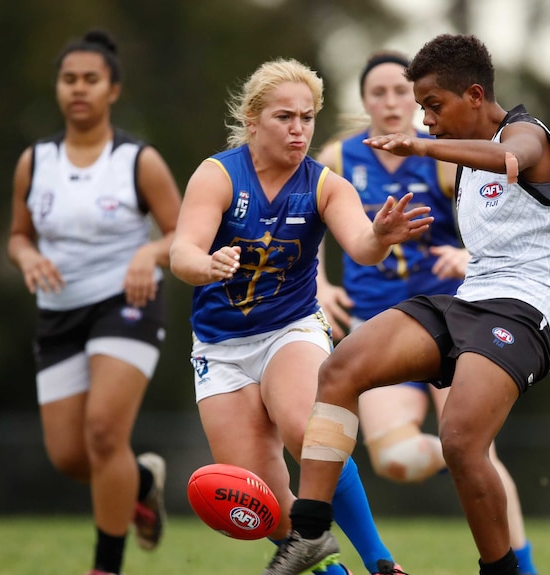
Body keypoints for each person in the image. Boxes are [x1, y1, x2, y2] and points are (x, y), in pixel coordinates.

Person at [263, 33, 550, 575]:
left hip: (526, 313)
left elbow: (509, 158)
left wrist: (422, 146)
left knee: (459, 440)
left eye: (432, 107)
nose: (424, 121)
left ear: (475, 95)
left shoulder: (528, 136)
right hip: (467, 303)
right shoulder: (419, 157)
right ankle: (310, 533)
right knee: (340, 368)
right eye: (421, 110)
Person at [169, 58, 432, 575]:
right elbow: (182, 254)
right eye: (284, 117)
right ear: (252, 120)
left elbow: (360, 246)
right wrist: (207, 264)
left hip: (290, 329)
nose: (298, 129)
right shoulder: (218, 174)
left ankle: (381, 562)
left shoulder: (325, 184)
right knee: (264, 501)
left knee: (306, 428)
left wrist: (380, 235)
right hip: (219, 349)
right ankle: (332, 570)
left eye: (307, 118)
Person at [314, 50, 539, 575]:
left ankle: (521, 566)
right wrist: (321, 284)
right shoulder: (339, 159)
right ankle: (466, 459)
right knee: (394, 461)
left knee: (479, 452)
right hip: (377, 321)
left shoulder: (442, 154)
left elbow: (495, 217)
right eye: (379, 93)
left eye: (401, 91)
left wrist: (467, 254)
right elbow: (304, 225)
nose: (392, 102)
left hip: (453, 321)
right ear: (365, 101)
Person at [7, 30, 183, 575]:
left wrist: (148, 253)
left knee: (105, 432)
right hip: (59, 311)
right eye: (69, 79)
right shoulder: (35, 162)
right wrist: (27, 258)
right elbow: (17, 235)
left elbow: (184, 234)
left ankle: (105, 566)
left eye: (90, 79)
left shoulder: (138, 161)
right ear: (58, 89)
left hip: (126, 305)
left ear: (113, 90)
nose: (78, 89)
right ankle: (145, 480)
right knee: (70, 456)